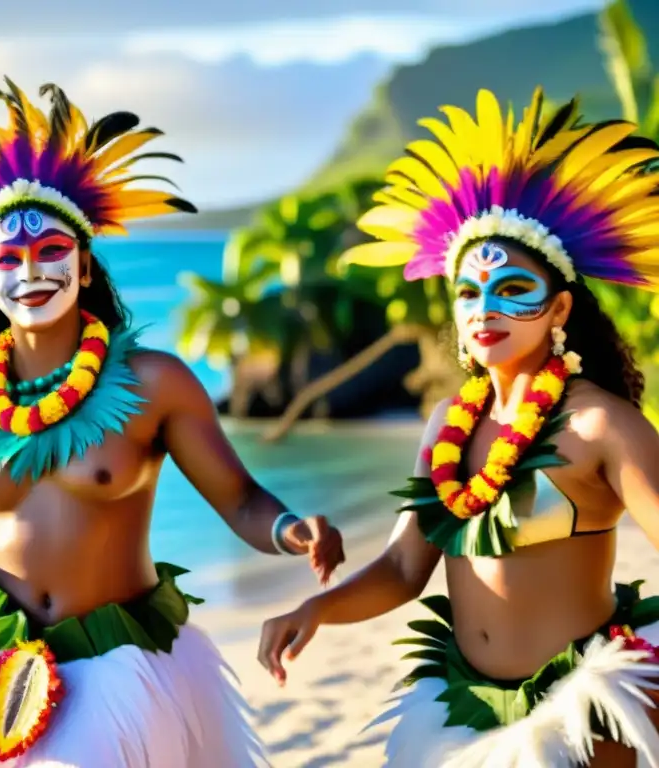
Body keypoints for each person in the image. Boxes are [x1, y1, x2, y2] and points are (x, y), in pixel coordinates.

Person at [0, 78, 345, 767]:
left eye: (50, 252)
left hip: (113, 664)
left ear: (84, 260)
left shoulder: (152, 383)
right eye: (8, 259)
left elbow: (241, 497)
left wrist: (288, 530)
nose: (31, 272)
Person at [257, 86, 659, 767]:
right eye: (469, 291)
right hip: (463, 714)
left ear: (559, 308)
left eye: (513, 291)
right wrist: (315, 610)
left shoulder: (600, 423)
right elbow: (405, 566)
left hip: (581, 722)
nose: (485, 309)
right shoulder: (450, 420)